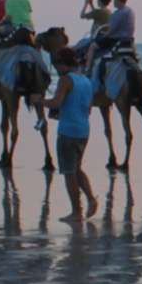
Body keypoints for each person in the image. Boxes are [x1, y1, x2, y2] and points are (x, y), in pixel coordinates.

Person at [41, 47, 98, 221]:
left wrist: (40, 101)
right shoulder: (86, 81)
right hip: (83, 130)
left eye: (57, 65)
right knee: (77, 168)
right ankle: (91, 199)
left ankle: (76, 211)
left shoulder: (65, 80)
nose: (57, 70)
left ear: (62, 64)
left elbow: (56, 102)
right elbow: (87, 108)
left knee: (68, 172)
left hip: (67, 132)